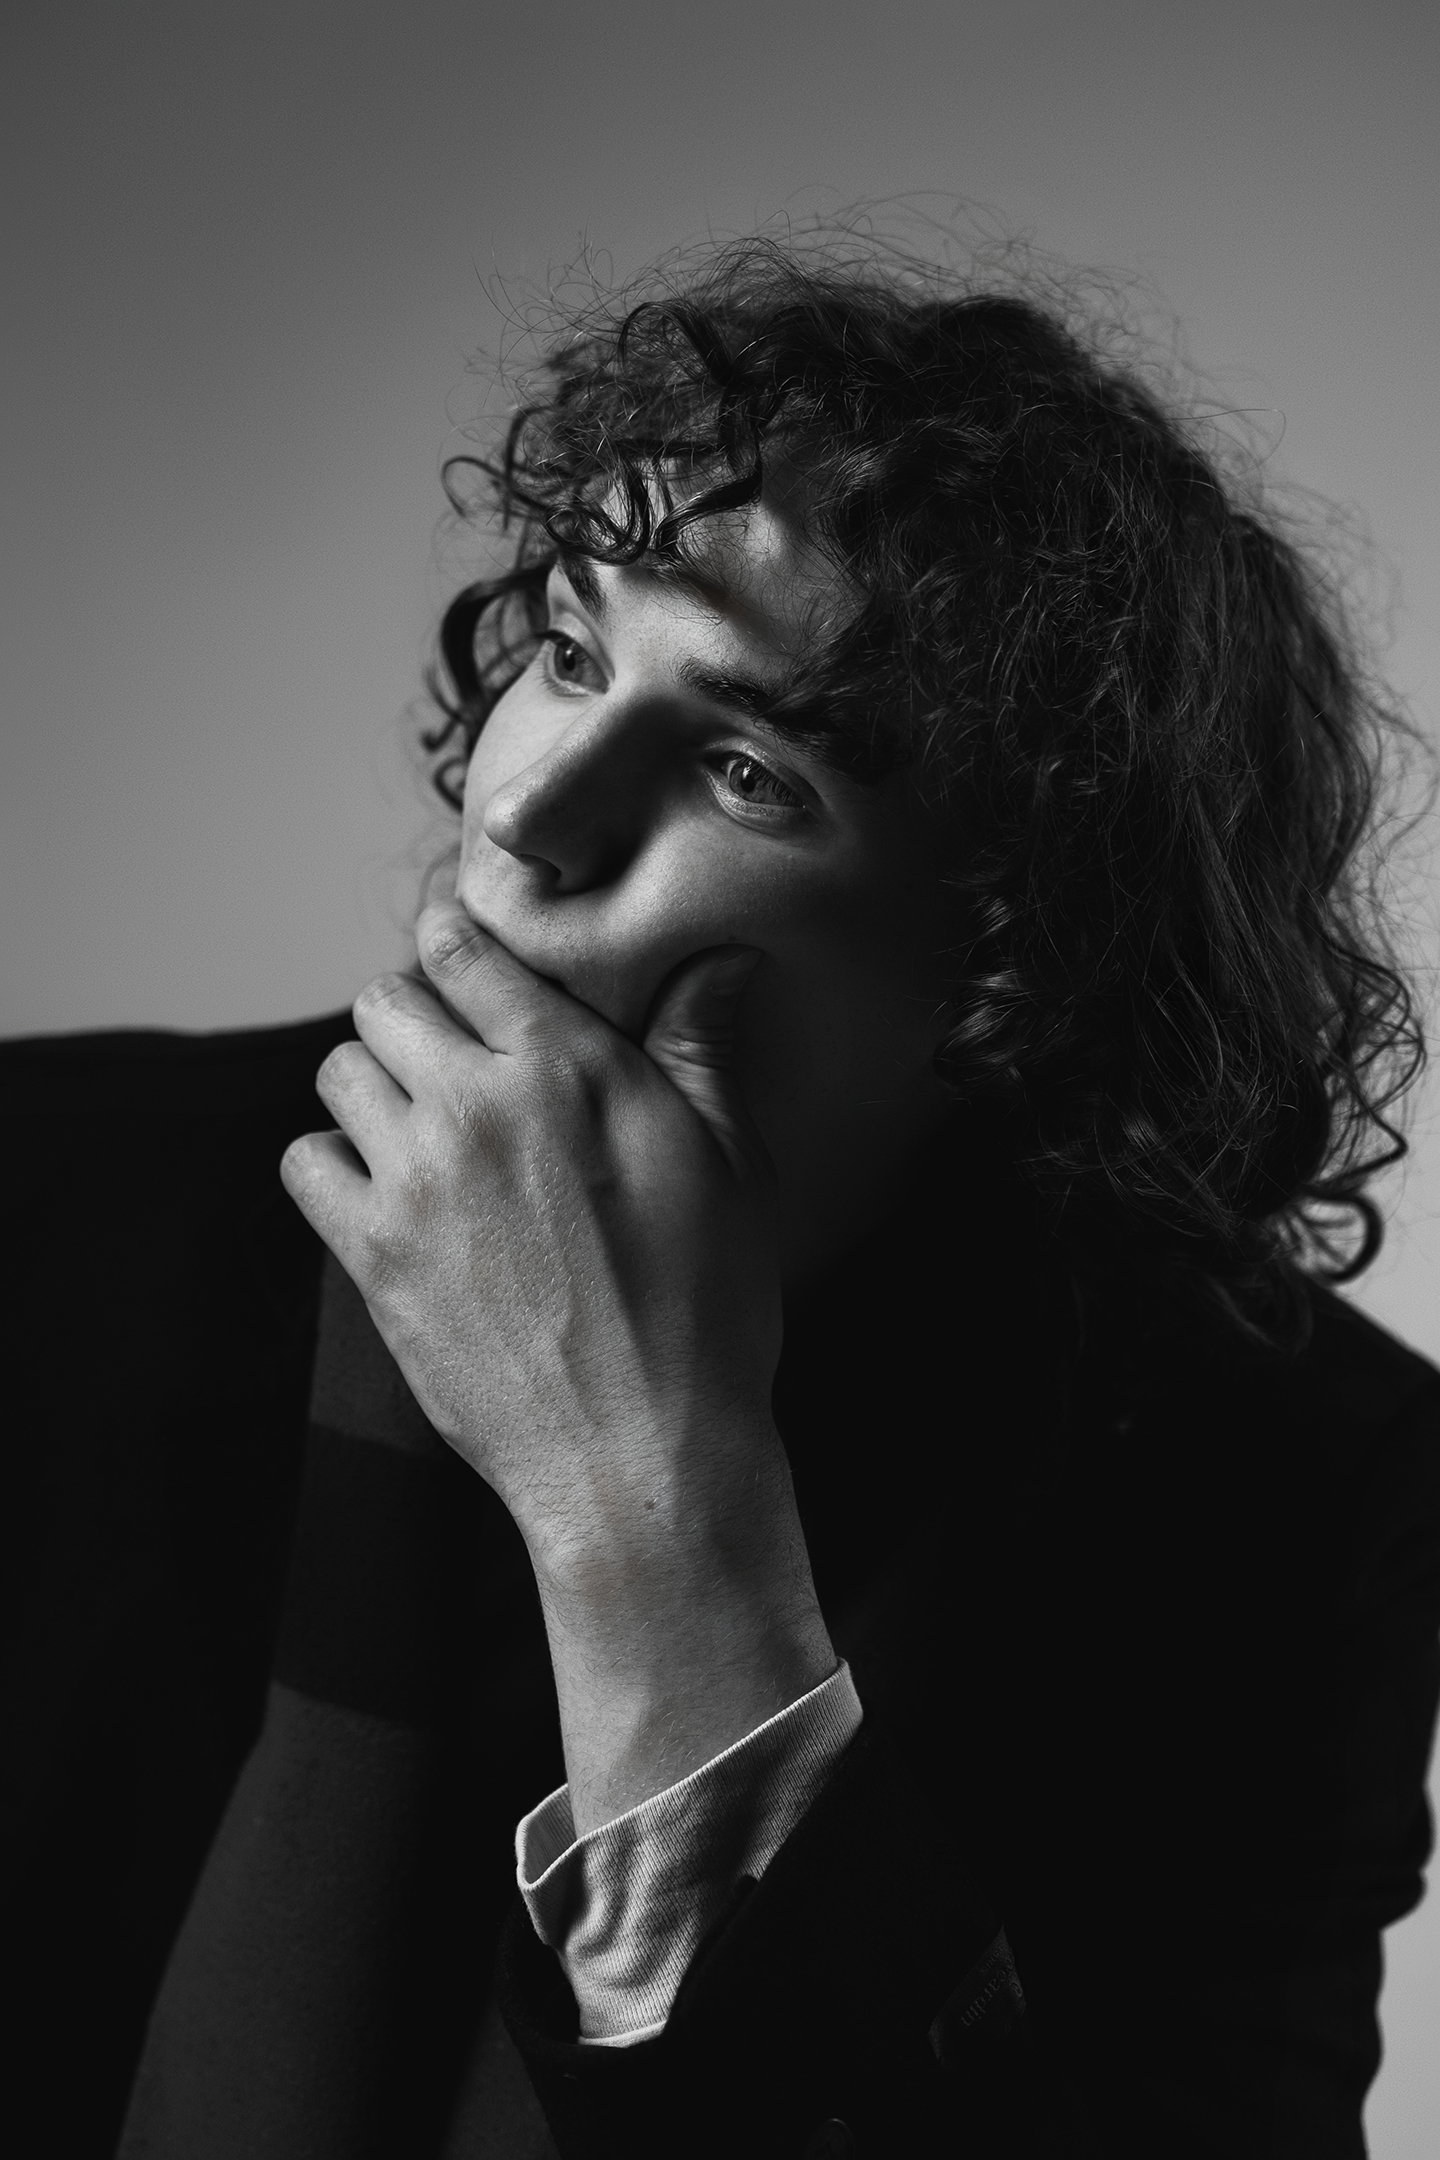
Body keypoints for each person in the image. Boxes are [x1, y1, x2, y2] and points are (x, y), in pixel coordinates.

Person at [5, 233, 1438, 2159]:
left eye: (747, 770)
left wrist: (649, 1512)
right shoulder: (48, 1196)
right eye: (569, 652)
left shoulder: (1278, 1490)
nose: (525, 813)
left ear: (1010, 965)